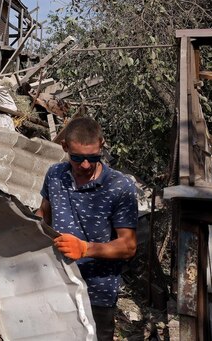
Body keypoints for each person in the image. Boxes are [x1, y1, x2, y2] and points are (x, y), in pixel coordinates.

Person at [35, 117, 138, 341]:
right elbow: (43, 215)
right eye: (77, 158)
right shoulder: (55, 175)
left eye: (92, 158)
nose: (84, 165)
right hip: (56, 284)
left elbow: (128, 246)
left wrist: (85, 249)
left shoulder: (120, 187)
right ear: (64, 147)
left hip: (97, 293)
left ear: (102, 145)